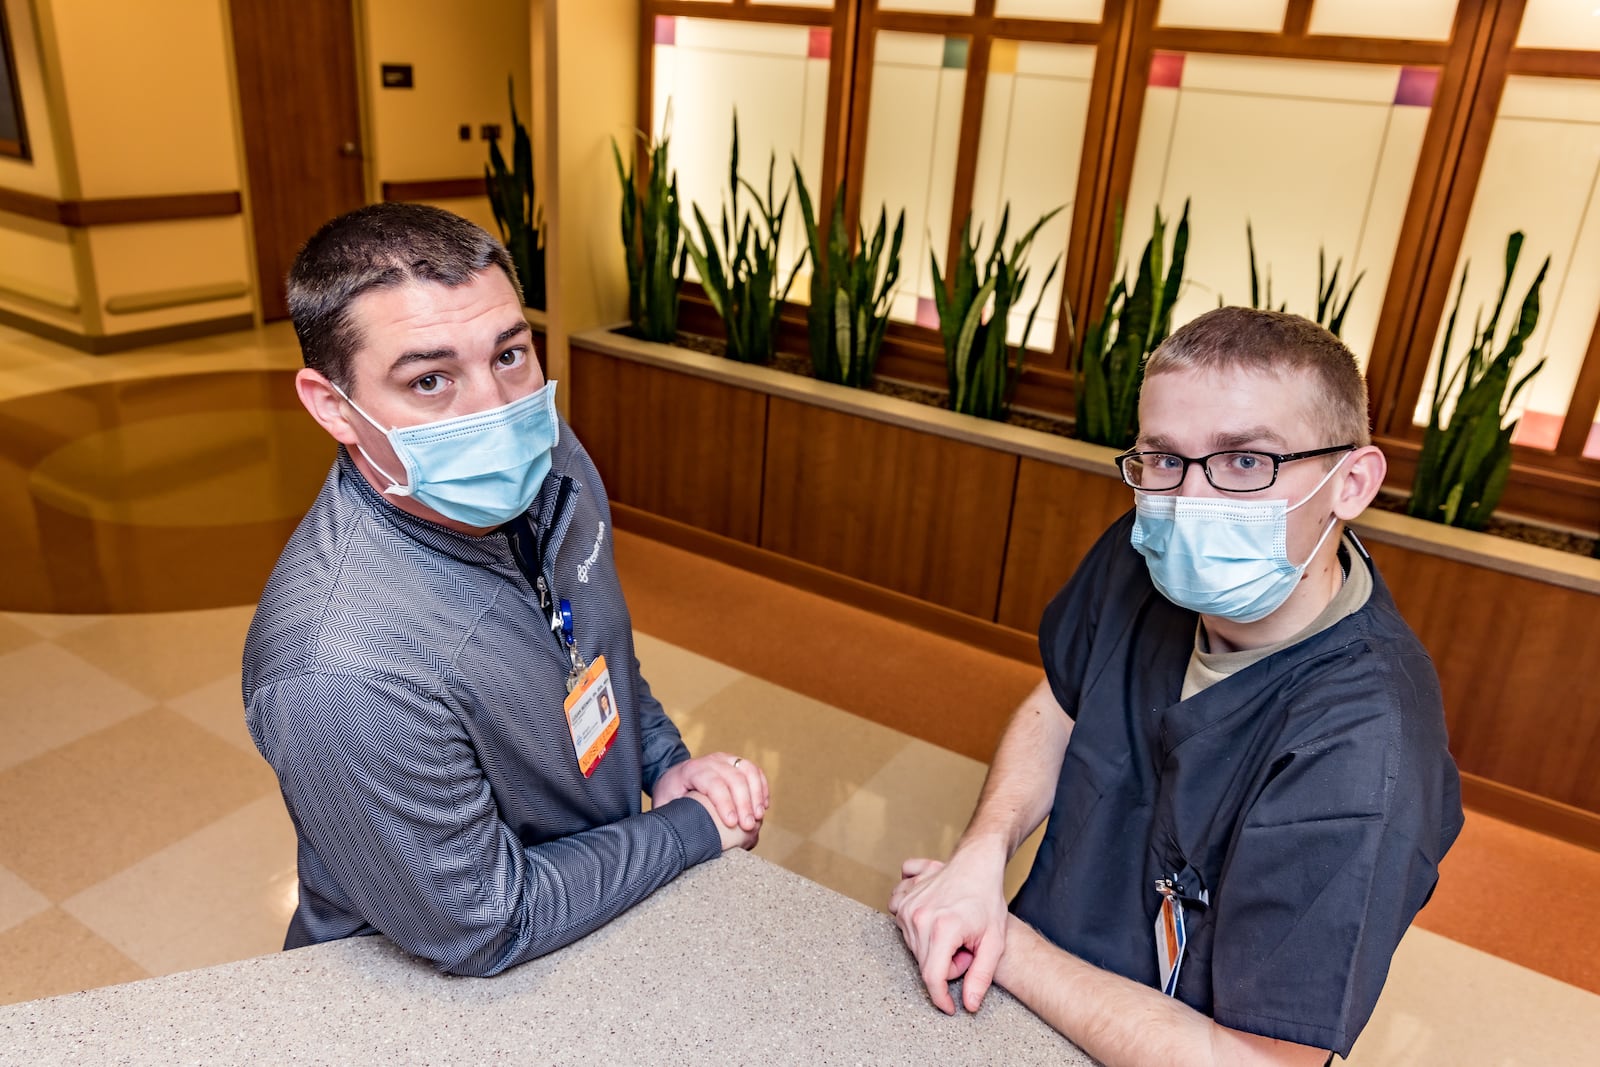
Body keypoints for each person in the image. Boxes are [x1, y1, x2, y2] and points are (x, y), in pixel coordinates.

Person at [889, 307, 1463, 1065]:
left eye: (1246, 462)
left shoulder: (1365, 747)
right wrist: (980, 855)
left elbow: (1264, 1061)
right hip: (1010, 1007)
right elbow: (1057, 704)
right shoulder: (1145, 556)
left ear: (1350, 481)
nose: (1191, 502)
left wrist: (1007, 940)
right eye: (1163, 459)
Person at [244, 202, 768, 977]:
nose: (496, 409)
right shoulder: (337, 668)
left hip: (599, 899)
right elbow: (484, 923)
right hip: (435, 991)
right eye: (429, 378)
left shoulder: (545, 451)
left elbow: (590, 644)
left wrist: (663, 763)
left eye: (511, 354)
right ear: (333, 407)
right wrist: (689, 828)